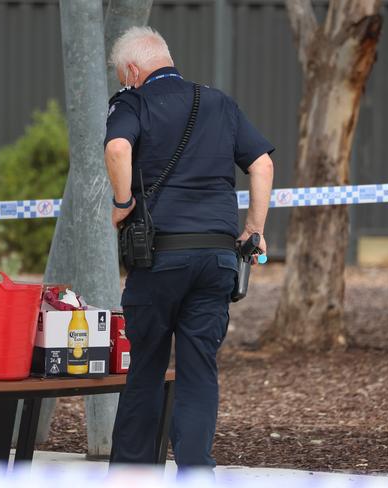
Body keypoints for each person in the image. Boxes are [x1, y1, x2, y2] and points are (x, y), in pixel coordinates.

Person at [104, 26, 275, 469]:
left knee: (146, 368)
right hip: (217, 257)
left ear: (132, 69)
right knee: (200, 372)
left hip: (160, 258)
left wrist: (123, 203)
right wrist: (253, 229)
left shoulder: (132, 101)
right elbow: (262, 164)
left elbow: (119, 148)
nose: (124, 81)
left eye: (123, 75)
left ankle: (132, 475)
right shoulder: (219, 102)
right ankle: (196, 472)